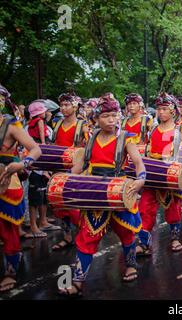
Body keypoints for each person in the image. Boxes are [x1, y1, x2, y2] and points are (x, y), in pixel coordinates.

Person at [58, 95, 145, 297]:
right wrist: (65, 178)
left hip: (118, 191)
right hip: (94, 191)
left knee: (126, 233)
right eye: (106, 116)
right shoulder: (91, 138)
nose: (111, 120)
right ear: (97, 119)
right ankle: (78, 281)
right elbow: (79, 166)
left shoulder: (126, 138)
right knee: (87, 236)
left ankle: (131, 265)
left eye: (114, 115)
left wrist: (140, 179)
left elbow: (139, 162)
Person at [136, 93, 182, 256]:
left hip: (170, 174)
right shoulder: (153, 129)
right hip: (152, 173)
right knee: (145, 207)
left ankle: (175, 238)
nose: (161, 112)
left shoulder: (179, 130)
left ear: (172, 111)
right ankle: (144, 242)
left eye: (164, 109)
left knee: (173, 208)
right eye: (159, 109)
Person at [0, 84, 42, 292]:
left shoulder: (11, 125)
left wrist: (22, 164)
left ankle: (10, 271)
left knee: (8, 231)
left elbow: (35, 149)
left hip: (7, 182)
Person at [50, 93, 88, 250]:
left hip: (75, 170)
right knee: (58, 205)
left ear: (75, 106)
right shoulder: (56, 124)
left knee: (75, 204)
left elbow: (87, 150)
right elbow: (52, 146)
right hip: (59, 169)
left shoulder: (83, 125)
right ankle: (67, 237)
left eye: (67, 105)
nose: (64, 108)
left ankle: (83, 236)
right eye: (62, 105)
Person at [25, 101, 59, 238]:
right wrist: (45, 147)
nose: (47, 113)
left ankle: (43, 221)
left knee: (43, 194)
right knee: (35, 196)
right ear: (40, 113)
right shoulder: (39, 122)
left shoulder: (28, 124)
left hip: (39, 158)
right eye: (45, 111)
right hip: (38, 158)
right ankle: (34, 225)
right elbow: (42, 139)